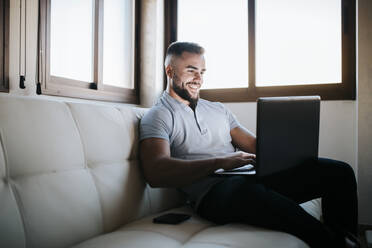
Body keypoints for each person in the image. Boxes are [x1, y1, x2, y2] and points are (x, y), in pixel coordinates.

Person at [139, 41, 359, 248]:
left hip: (249, 178)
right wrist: (222, 162)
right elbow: (156, 171)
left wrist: (290, 148)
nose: (198, 78)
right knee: (246, 191)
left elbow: (255, 145)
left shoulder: (217, 109)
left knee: (339, 172)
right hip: (215, 193)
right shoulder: (159, 115)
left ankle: (348, 237)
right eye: (190, 70)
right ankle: (334, 243)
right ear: (170, 71)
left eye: (202, 71)